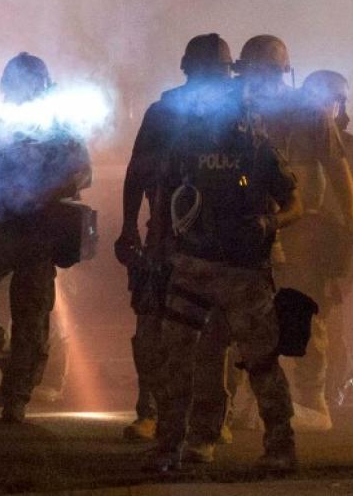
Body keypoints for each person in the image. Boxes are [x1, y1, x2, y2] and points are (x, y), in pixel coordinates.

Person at [147, 74, 302, 472]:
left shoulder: (259, 151)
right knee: (176, 358)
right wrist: (161, 246)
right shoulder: (188, 148)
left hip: (242, 270)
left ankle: (280, 447)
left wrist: (270, 225)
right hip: (195, 264)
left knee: (261, 361)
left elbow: (294, 204)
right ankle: (170, 446)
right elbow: (165, 197)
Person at [114, 34, 238, 457]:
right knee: (152, 330)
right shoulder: (164, 114)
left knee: (213, 337)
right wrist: (130, 228)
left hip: (218, 242)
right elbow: (137, 173)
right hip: (166, 238)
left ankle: (206, 423)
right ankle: (153, 412)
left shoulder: (240, 117)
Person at [236, 36, 353, 432]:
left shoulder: (309, 113)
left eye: (265, 72)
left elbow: (337, 167)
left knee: (305, 312)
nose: (259, 80)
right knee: (246, 315)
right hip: (250, 229)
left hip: (302, 230)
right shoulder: (235, 111)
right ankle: (249, 400)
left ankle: (311, 401)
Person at [0, 52, 92, 423]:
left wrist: (41, 196)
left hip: (39, 232)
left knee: (32, 315)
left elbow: (81, 171)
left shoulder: (59, 125)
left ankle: (16, 395)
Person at [301, 70, 353, 406]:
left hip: (338, 251)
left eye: (327, 101)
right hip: (298, 245)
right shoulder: (291, 145)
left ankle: (330, 386)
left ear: (340, 105)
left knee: (322, 310)